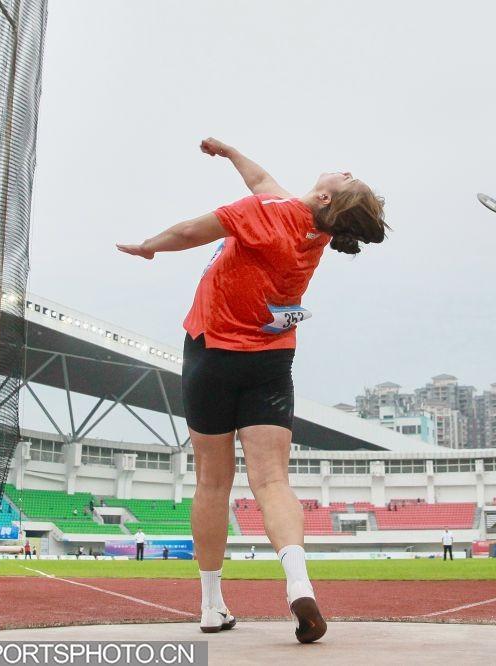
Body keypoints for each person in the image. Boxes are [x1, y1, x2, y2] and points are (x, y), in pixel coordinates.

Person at [117, 138, 387, 643]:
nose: (346, 170)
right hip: (270, 360)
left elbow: (189, 231)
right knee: (272, 480)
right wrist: (231, 153)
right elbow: (265, 183)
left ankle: (211, 604)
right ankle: (299, 584)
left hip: (212, 353)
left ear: (326, 198)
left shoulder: (264, 213)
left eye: (349, 179)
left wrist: (150, 245)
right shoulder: (316, 230)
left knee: (212, 482)